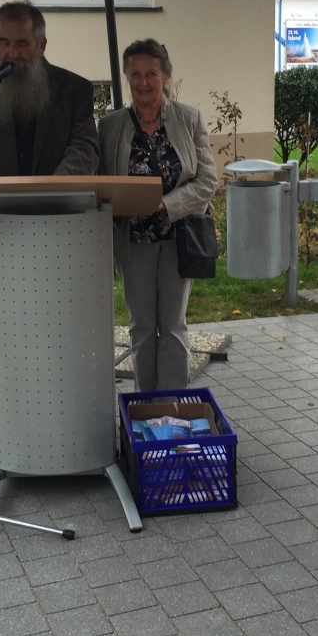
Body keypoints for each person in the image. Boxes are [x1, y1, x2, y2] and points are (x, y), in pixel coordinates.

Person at [0, 1, 100, 280]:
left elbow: (85, 147)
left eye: (22, 43)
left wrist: (52, 191)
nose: (12, 53)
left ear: (41, 44)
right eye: (4, 42)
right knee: (5, 322)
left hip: (58, 225)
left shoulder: (74, 90)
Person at [99, 39, 217, 392]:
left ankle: (173, 407)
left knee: (173, 325)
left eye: (152, 73)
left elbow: (208, 180)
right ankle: (145, 406)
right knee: (142, 326)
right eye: (135, 74)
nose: (143, 81)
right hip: (133, 241)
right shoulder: (110, 127)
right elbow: (101, 182)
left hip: (180, 237)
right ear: (126, 77)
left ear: (166, 75)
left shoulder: (188, 118)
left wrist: (165, 204)